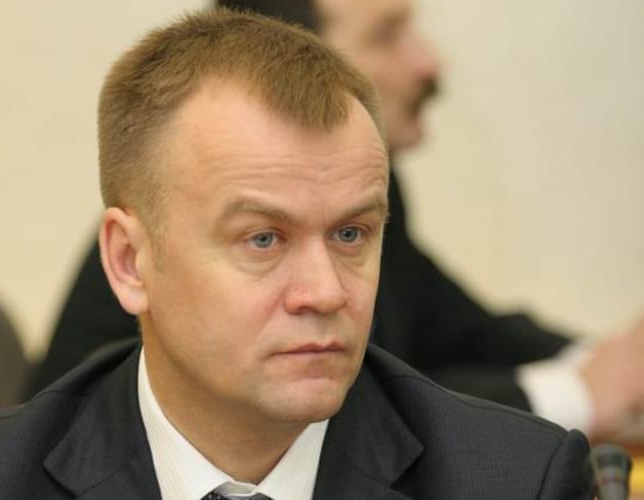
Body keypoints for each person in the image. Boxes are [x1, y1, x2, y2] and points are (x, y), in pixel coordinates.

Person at [0, 10, 591, 499]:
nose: (325, 292)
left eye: (350, 235)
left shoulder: (516, 482)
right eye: (263, 239)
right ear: (129, 262)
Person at [31, 0, 644, 440]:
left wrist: (617, 362)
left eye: (350, 232)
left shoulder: (367, 190)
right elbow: (363, 412)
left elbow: (461, 330)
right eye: (264, 239)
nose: (428, 63)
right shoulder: (171, 228)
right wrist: (579, 394)